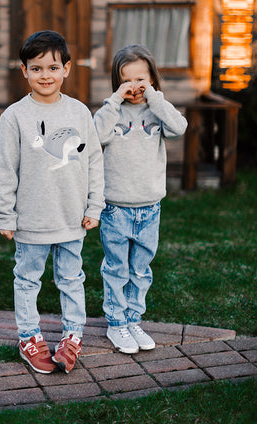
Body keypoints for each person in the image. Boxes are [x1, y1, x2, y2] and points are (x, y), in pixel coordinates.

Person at [0, 30, 104, 374]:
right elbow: (5, 169)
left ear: (66, 69)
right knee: (27, 280)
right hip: (32, 220)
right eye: (36, 68)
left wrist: (94, 206)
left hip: (72, 218)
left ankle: (73, 336)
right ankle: (29, 337)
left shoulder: (80, 112)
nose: (45, 75)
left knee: (71, 279)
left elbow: (94, 161)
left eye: (52, 67)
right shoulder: (14, 117)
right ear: (24, 71)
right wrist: (5, 215)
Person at [94, 44, 187, 354]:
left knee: (141, 269)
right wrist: (114, 101)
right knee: (117, 268)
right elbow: (95, 137)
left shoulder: (157, 109)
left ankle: (133, 319)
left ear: (152, 80)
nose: (134, 87)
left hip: (150, 207)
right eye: (126, 81)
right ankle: (116, 324)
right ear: (117, 83)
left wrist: (156, 98)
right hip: (115, 207)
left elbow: (179, 127)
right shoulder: (112, 111)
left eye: (141, 80)